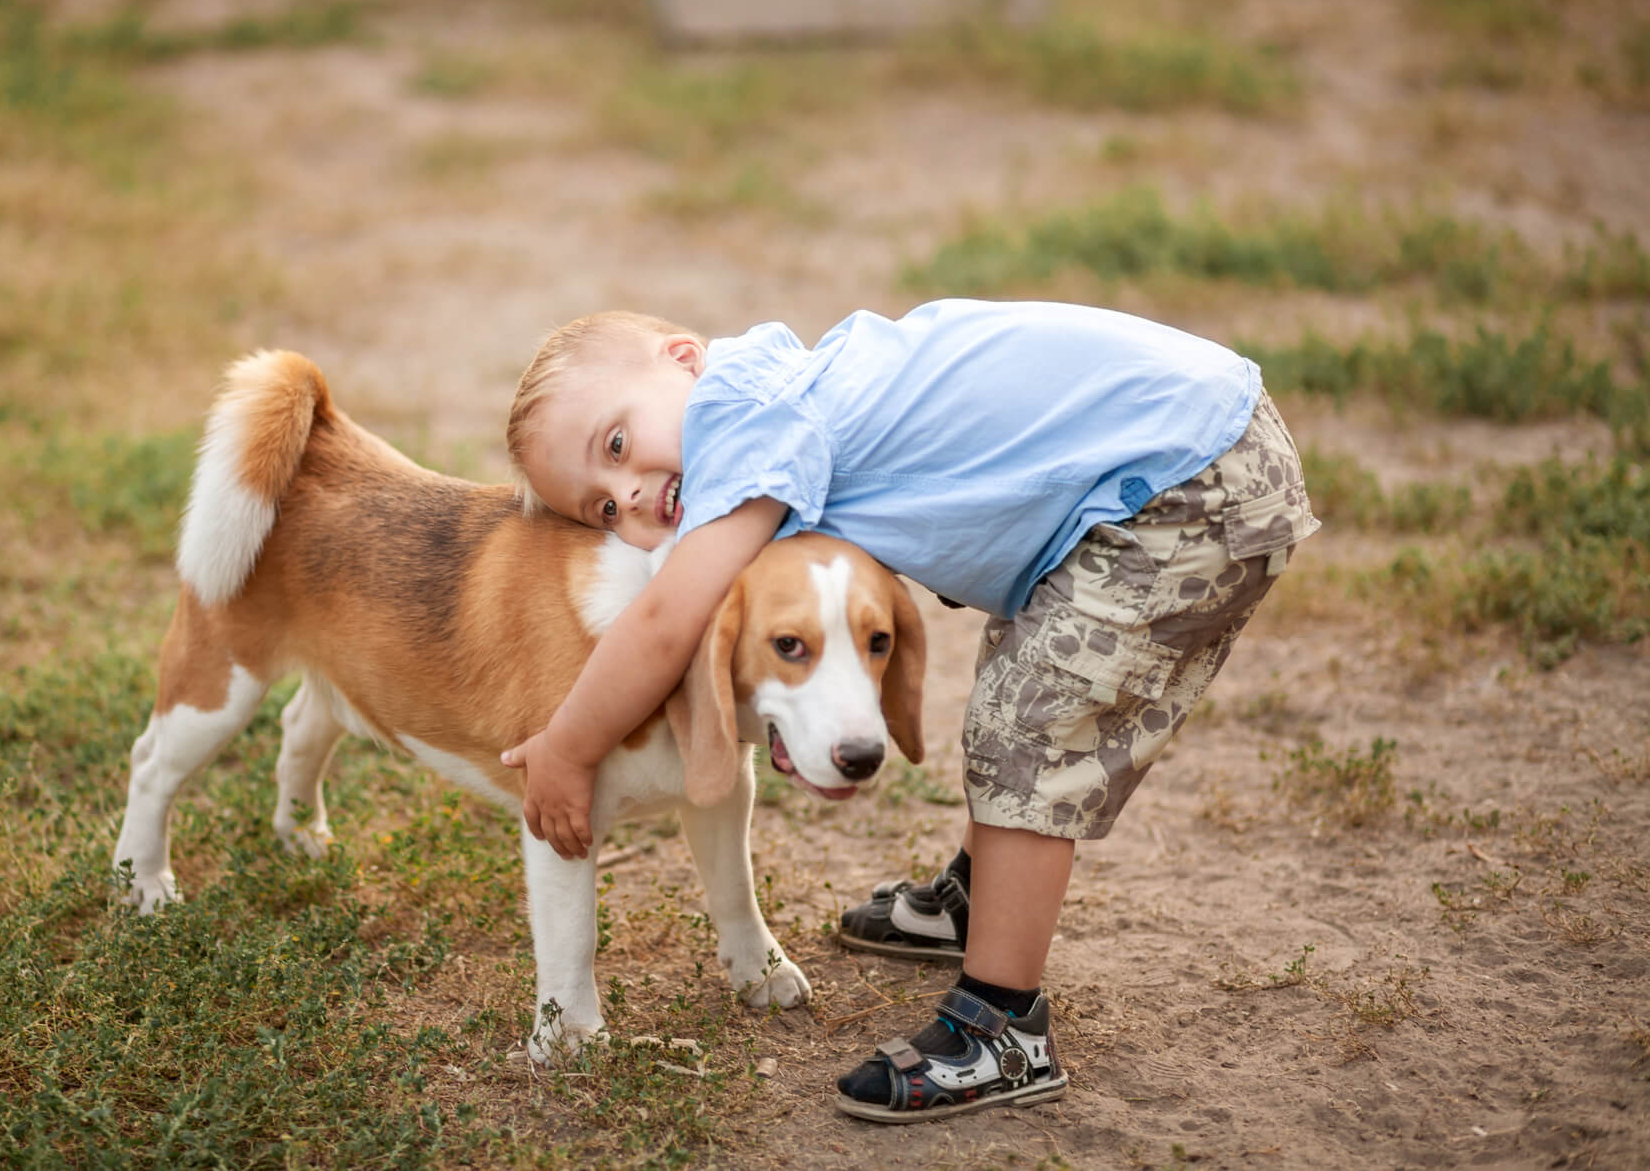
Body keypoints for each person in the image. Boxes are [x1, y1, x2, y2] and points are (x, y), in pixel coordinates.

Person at [500, 299, 1318, 1122]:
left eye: (614, 445)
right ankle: (974, 897)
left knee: (1030, 734)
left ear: (684, 359)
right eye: (603, 507)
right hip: (1188, 439)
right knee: (1024, 679)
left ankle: (1004, 1026)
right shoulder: (776, 392)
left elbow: (667, 618)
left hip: (1188, 480)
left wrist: (569, 745)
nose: (631, 491)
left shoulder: (742, 421)